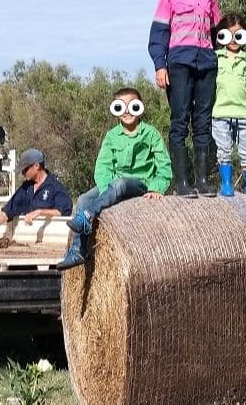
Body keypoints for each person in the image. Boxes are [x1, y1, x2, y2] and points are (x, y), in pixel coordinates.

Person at [57, 87, 172, 271]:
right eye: (121, 107)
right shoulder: (111, 136)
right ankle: (78, 249)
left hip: (140, 184)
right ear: (115, 111)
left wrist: (157, 187)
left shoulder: (151, 134)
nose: (127, 111)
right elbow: (102, 167)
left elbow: (164, 165)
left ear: (140, 107)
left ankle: (88, 215)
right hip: (113, 186)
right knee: (84, 198)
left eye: (132, 106)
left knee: (120, 184)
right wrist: (107, 192)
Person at [148, 0, 220, 198]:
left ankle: (202, 180)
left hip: (206, 63)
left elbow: (216, 35)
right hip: (179, 62)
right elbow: (158, 34)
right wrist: (160, 65)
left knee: (203, 121)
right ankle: (182, 182)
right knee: (180, 120)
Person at [212, 13, 246, 197]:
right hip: (220, 113)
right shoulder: (214, 58)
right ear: (221, 35)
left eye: (239, 35)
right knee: (224, 150)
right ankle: (226, 183)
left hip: (244, 114)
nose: (234, 39)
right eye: (229, 34)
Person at [0, 148, 73, 230]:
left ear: (36, 166)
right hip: (27, 235)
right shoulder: (25, 187)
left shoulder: (55, 187)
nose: (23, 173)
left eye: (25, 169)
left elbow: (62, 212)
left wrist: (39, 212)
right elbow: (9, 209)